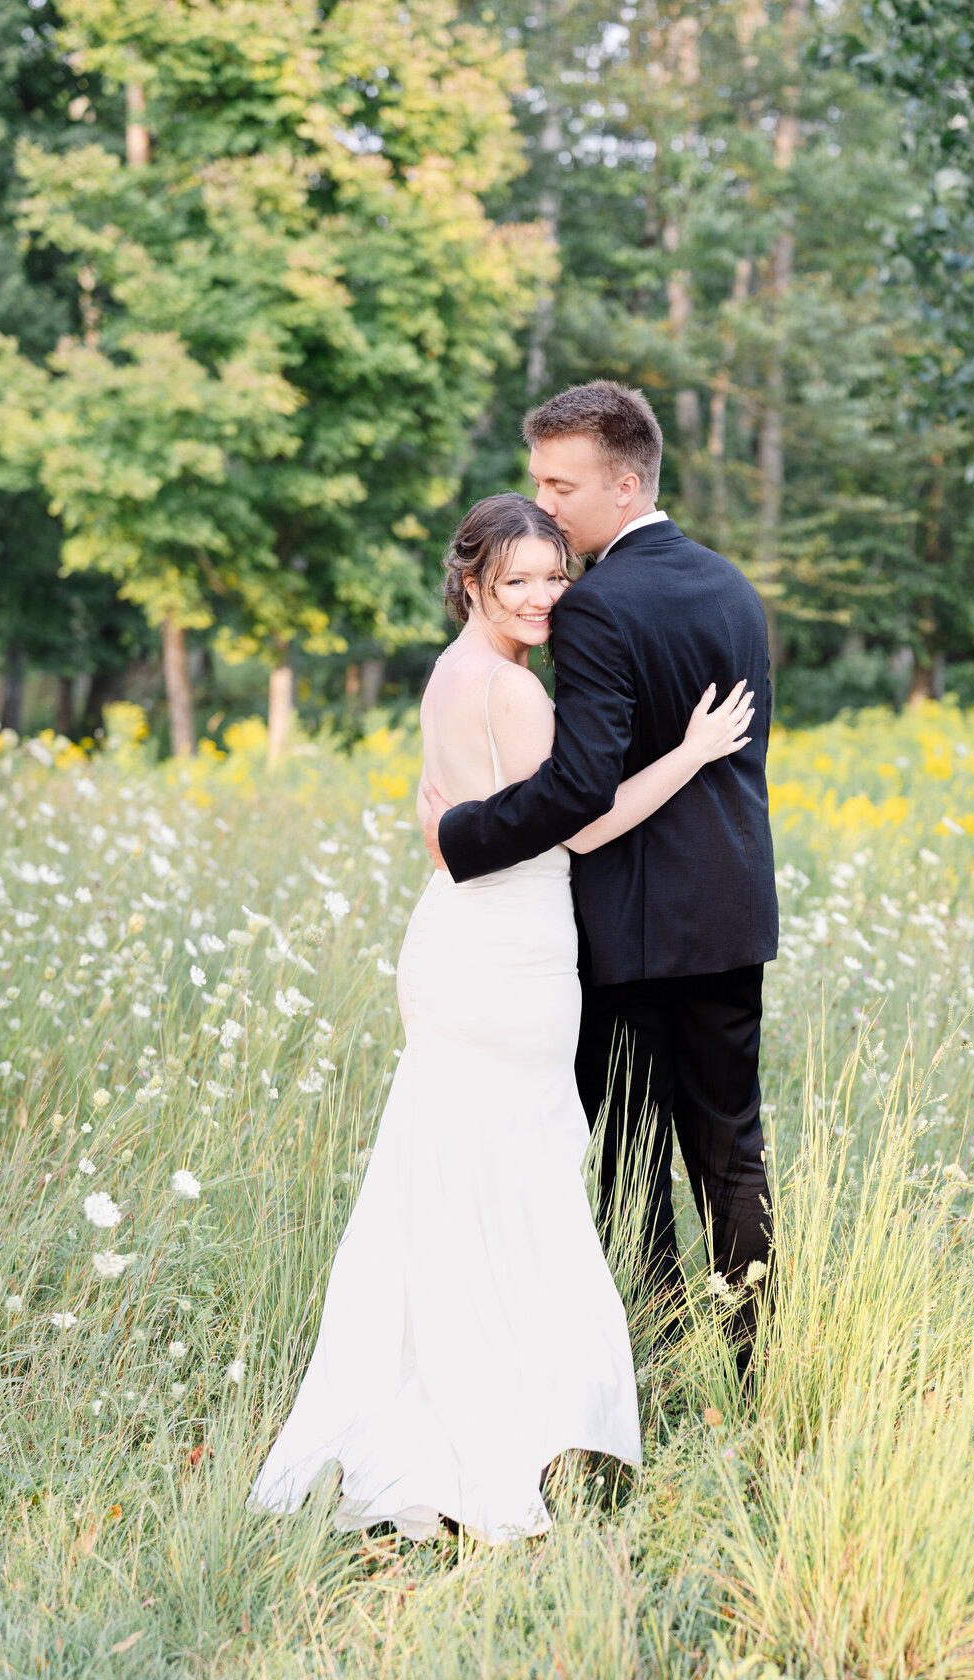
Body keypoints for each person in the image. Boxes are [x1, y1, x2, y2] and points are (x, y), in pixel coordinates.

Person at [247, 492, 755, 1544]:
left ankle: (456, 1388)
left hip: (456, 937)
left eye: (553, 576)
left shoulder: (451, 675)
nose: (541, 597)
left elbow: (446, 807)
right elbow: (586, 818)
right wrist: (696, 753)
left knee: (450, 1173)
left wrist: (457, 826)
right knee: (514, 1179)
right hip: (512, 957)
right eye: (516, 579)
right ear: (471, 580)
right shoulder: (518, 697)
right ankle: (499, 1418)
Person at [421, 381, 779, 1351]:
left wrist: (460, 835)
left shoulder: (593, 608)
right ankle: (756, 1377)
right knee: (731, 1156)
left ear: (624, 486)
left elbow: (577, 791)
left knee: (630, 1165)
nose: (545, 504)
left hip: (623, 934)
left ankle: (643, 1377)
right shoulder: (731, 587)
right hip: (732, 917)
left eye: (560, 484)